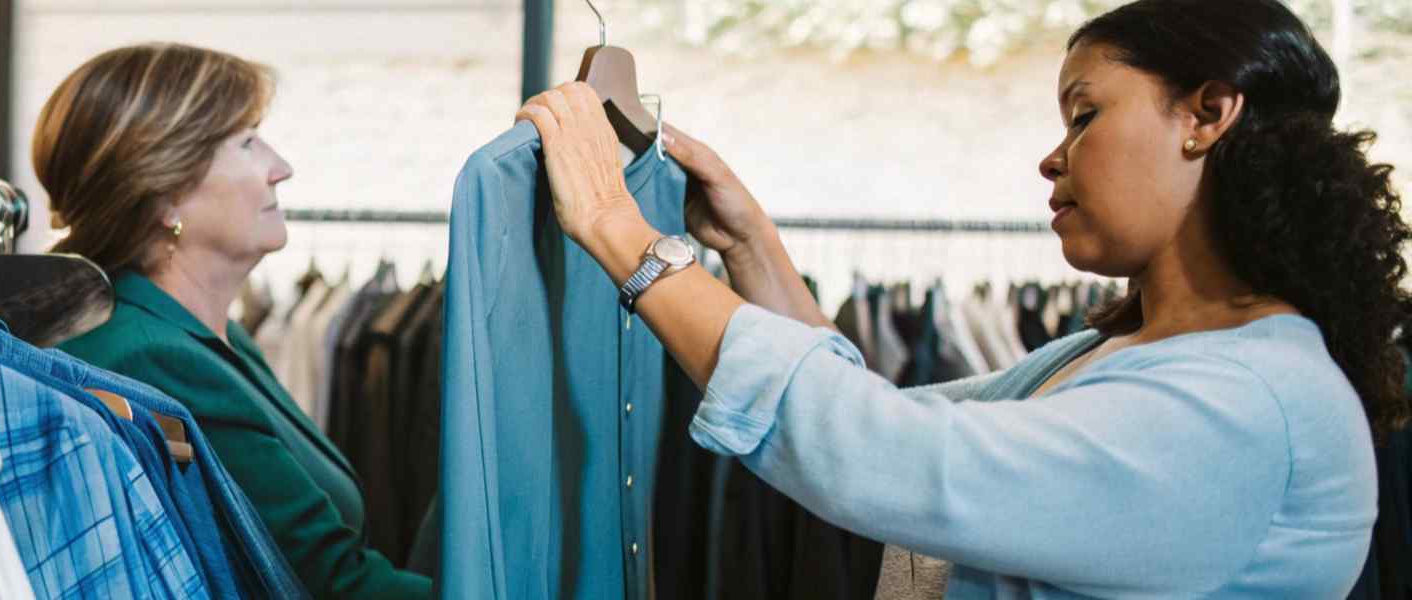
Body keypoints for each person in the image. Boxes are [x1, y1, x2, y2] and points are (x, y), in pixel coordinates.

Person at [517, 0, 1406, 597]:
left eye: (1085, 115)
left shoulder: (1247, 406)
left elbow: (887, 458)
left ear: (1207, 115)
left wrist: (616, 227)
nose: (1054, 158)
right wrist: (750, 248)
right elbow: (883, 416)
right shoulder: (1135, 352)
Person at [35, 43, 433, 599]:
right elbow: (331, 584)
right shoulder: (148, 357)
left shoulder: (211, 333)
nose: (281, 168)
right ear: (165, 193)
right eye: (247, 142)